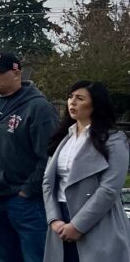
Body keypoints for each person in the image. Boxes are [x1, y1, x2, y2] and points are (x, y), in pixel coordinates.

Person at [0, 52, 58, 262]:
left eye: (0, 72)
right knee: (6, 256)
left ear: (16, 73)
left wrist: (27, 190)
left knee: (35, 257)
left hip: (25, 201)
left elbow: (49, 156)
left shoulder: (38, 108)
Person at [41, 80, 130, 262]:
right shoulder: (64, 138)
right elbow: (48, 182)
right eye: (70, 97)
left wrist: (78, 226)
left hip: (97, 222)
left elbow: (109, 189)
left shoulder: (114, 141)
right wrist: (54, 219)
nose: (72, 102)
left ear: (96, 104)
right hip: (60, 221)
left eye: (80, 98)